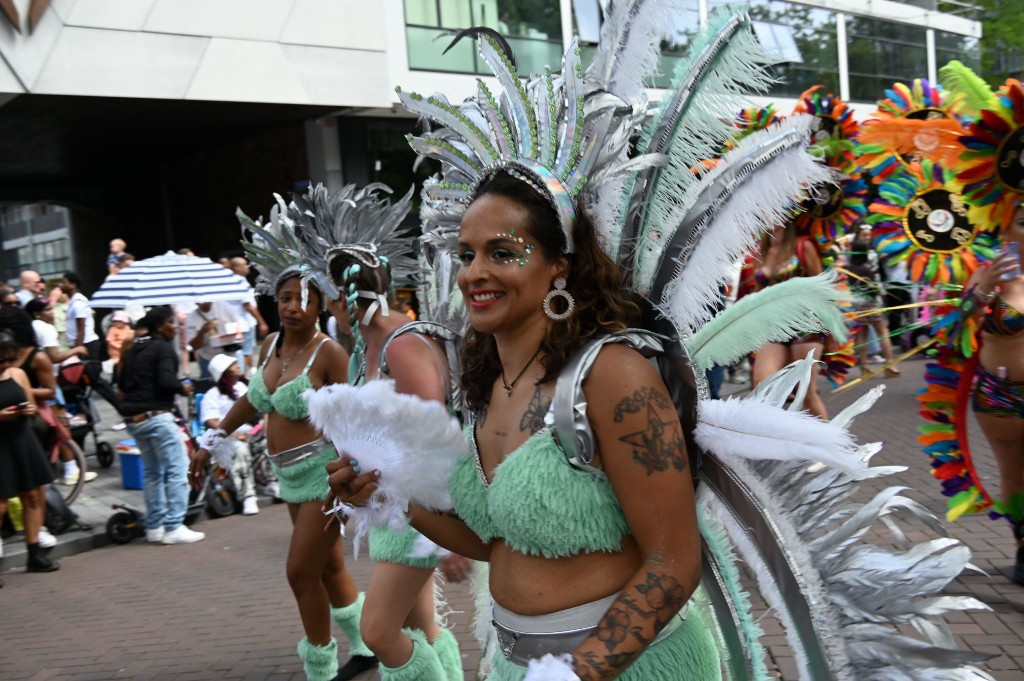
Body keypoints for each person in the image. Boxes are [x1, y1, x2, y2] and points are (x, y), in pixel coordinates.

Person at [328, 172, 715, 680]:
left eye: (503, 253)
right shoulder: (489, 383)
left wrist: (577, 672)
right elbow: (498, 541)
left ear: (559, 265)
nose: (474, 274)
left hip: (627, 668)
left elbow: (674, 562)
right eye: (467, 255)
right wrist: (385, 493)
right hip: (521, 666)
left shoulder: (611, 375)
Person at [189, 230, 376, 681]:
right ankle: (367, 645)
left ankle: (321, 669)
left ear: (319, 306)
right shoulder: (269, 344)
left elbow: (355, 415)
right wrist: (211, 440)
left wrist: (357, 471)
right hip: (286, 476)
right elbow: (254, 401)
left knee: (299, 572)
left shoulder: (328, 352)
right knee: (326, 565)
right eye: (285, 297)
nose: (293, 306)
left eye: (304, 299)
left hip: (321, 476)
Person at [305, 183, 466, 681]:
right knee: (422, 633)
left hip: (416, 516)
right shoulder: (365, 349)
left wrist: (446, 539)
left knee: (378, 633)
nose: (328, 308)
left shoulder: (401, 343)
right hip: (388, 511)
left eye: (329, 297)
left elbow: (434, 436)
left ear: (341, 296)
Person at [116, 306, 204, 545]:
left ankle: (154, 526)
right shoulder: (163, 348)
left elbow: (122, 382)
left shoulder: (134, 347)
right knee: (179, 469)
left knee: (152, 472)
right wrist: (183, 387)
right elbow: (166, 382)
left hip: (135, 420)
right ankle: (174, 525)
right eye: (170, 322)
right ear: (159, 326)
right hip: (156, 416)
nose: (174, 327)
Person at [738, 223, 830, 418]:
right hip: (774, 326)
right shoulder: (762, 250)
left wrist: (832, 329)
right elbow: (758, 292)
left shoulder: (802, 245)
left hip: (804, 324)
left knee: (806, 395)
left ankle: (837, 447)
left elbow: (822, 289)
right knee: (762, 390)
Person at [0, 330, 60, 573]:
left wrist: (27, 410)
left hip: (22, 438)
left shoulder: (18, 374)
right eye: (0, 360)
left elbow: (32, 404)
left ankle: (34, 553)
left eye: (9, 359)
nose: (5, 364)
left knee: (33, 496)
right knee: (1, 504)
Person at [199, 353, 259, 516]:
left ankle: (272, 483)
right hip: (228, 437)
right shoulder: (212, 395)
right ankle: (247, 495)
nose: (238, 366)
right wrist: (232, 433)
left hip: (251, 432)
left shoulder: (242, 387)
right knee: (239, 449)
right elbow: (211, 421)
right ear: (224, 372)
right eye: (233, 365)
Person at [845, 226, 900, 377]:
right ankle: (890, 363)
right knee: (882, 332)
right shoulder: (866, 269)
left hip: (857, 305)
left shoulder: (849, 268)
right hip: (871, 304)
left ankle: (865, 365)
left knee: (862, 334)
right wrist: (877, 291)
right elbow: (873, 288)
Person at [228, 257, 269, 372]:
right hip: (244, 323)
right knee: (247, 351)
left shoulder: (235, 280)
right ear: (236, 267)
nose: (247, 267)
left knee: (244, 351)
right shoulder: (238, 281)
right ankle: (246, 375)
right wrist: (262, 322)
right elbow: (248, 305)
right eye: (244, 265)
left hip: (239, 323)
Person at [185, 301, 244, 379]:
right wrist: (202, 332)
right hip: (210, 360)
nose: (207, 303)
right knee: (211, 385)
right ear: (196, 302)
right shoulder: (191, 319)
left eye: (208, 300)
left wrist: (231, 332)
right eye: (203, 302)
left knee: (238, 384)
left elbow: (239, 324)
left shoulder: (223, 306)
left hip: (231, 356)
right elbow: (194, 346)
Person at [24, 297, 88, 364]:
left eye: (52, 309)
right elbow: (54, 358)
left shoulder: (29, 325)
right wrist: (77, 350)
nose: (52, 312)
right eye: (47, 310)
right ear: (36, 314)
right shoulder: (47, 328)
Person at [59, 272, 101, 360]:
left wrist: (78, 350)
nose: (60, 285)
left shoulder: (78, 303)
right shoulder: (74, 302)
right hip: (81, 344)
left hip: (85, 344)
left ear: (73, 285)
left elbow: (81, 330)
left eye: (63, 282)